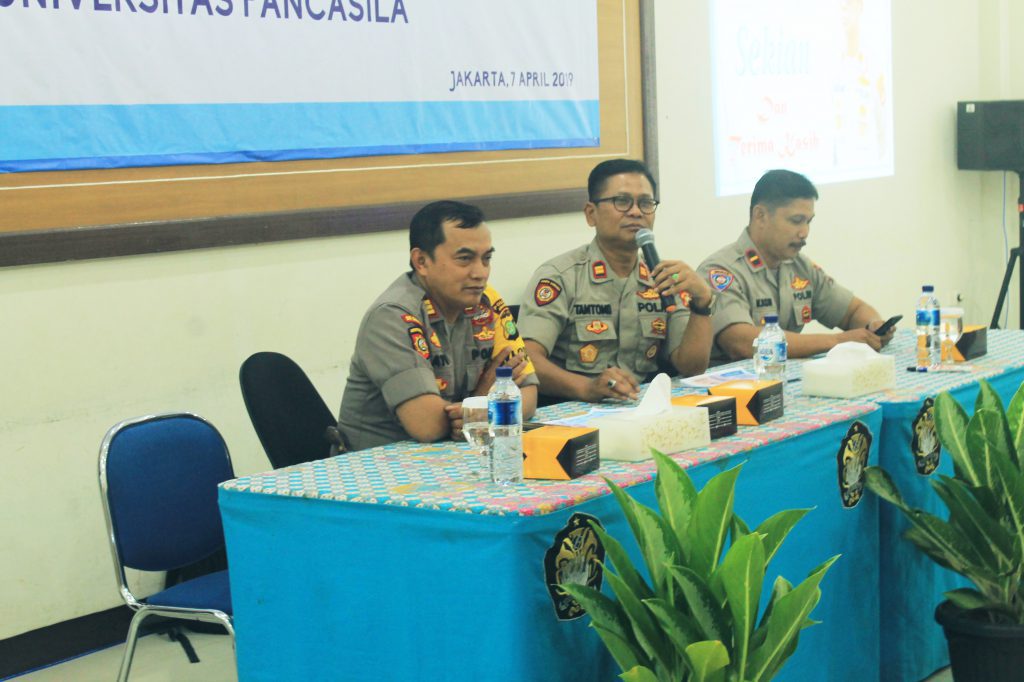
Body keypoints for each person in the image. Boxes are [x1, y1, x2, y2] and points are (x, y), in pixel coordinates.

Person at [338, 200, 538, 451]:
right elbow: (428, 425)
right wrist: (484, 397)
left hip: (453, 455)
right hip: (377, 463)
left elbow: (529, 396)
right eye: (464, 259)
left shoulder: (487, 302)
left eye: (486, 259)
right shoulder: (392, 316)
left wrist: (481, 411)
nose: (480, 273)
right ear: (421, 261)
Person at [518, 159, 715, 403]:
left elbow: (692, 366)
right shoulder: (560, 276)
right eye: (622, 201)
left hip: (641, 405)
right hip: (575, 407)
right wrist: (587, 387)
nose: (636, 212)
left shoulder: (663, 278)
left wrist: (702, 303)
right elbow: (527, 359)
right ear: (591, 214)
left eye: (646, 203)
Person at [697, 169, 894, 362]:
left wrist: (874, 326)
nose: (804, 232)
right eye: (796, 221)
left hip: (786, 377)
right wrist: (836, 341)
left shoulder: (799, 266)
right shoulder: (721, 271)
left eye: (808, 222)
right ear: (760, 216)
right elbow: (741, 342)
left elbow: (853, 310)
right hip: (734, 380)